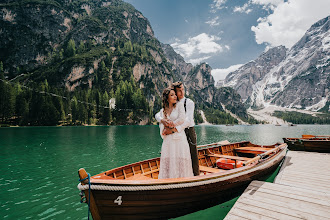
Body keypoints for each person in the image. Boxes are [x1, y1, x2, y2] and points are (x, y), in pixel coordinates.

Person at [156, 81, 200, 176]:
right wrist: (162, 120)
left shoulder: (188, 102)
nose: (182, 92)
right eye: (179, 91)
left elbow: (187, 120)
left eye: (183, 90)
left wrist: (172, 129)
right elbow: (159, 114)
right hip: (177, 132)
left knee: (193, 155)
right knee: (177, 154)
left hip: (188, 130)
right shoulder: (173, 103)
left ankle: (196, 177)